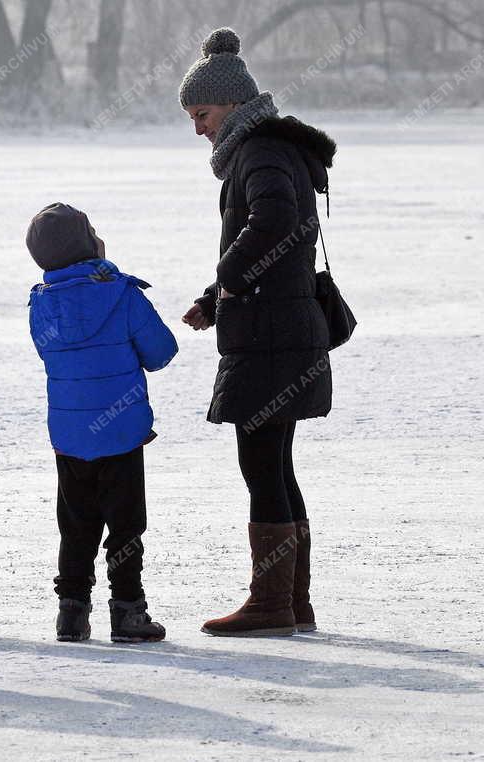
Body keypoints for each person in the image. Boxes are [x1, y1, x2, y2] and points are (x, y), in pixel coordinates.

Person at [178, 28, 336, 636]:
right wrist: (213, 297)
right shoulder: (270, 148)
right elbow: (271, 236)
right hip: (283, 324)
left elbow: (273, 220)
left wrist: (225, 279)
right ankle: (292, 600)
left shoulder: (260, 152)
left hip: (271, 334)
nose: (199, 128)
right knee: (275, 462)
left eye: (203, 113)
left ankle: (273, 604)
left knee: (261, 462)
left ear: (233, 105)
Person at [26, 203, 178, 643]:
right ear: (90, 243)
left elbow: (48, 353)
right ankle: (128, 612)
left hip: (70, 436)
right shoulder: (122, 293)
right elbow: (161, 352)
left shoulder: (41, 304)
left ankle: (71, 614)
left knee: (75, 527)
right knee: (126, 527)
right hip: (122, 432)